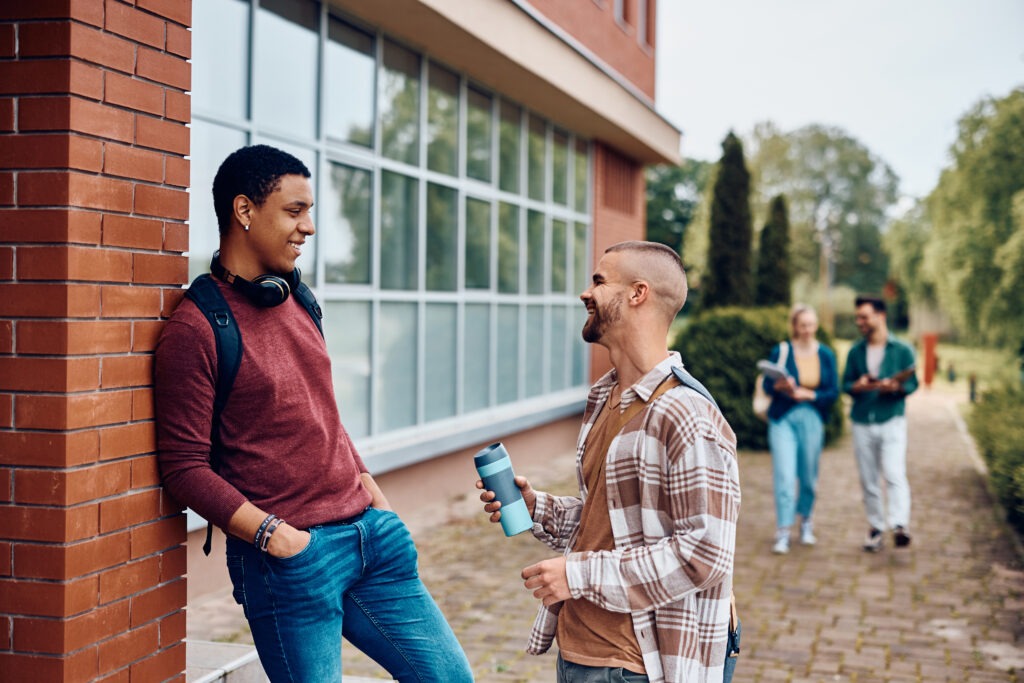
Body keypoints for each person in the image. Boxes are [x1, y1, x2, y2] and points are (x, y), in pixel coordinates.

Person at [154, 145, 472, 682]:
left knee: (450, 679)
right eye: (295, 211)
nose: (310, 227)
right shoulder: (197, 329)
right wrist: (276, 538)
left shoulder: (300, 301)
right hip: (292, 561)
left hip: (374, 541)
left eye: (310, 211)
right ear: (245, 211)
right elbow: (184, 467)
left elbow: (322, 413)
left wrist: (375, 496)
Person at [478, 241, 741, 683]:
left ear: (638, 293)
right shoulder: (605, 395)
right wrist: (535, 507)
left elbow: (704, 553)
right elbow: (615, 521)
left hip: (635, 664)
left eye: (599, 281)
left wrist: (578, 575)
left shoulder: (686, 414)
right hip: (579, 648)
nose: (586, 292)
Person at [842, 295, 919, 553]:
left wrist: (896, 387)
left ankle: (900, 526)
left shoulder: (903, 349)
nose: (859, 322)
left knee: (894, 472)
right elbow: (846, 384)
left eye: (864, 316)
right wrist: (858, 386)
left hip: (892, 419)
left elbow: (913, 382)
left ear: (880, 316)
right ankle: (876, 528)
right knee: (868, 479)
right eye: (857, 317)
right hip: (862, 420)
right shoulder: (855, 351)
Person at [762, 305, 839, 554]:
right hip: (783, 417)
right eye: (802, 325)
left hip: (812, 418)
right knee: (784, 476)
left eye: (811, 324)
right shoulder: (781, 351)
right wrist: (781, 386)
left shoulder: (825, 354)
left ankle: (806, 521)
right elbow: (766, 383)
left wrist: (811, 394)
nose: (807, 330)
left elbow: (833, 392)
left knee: (808, 476)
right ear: (794, 326)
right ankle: (783, 530)